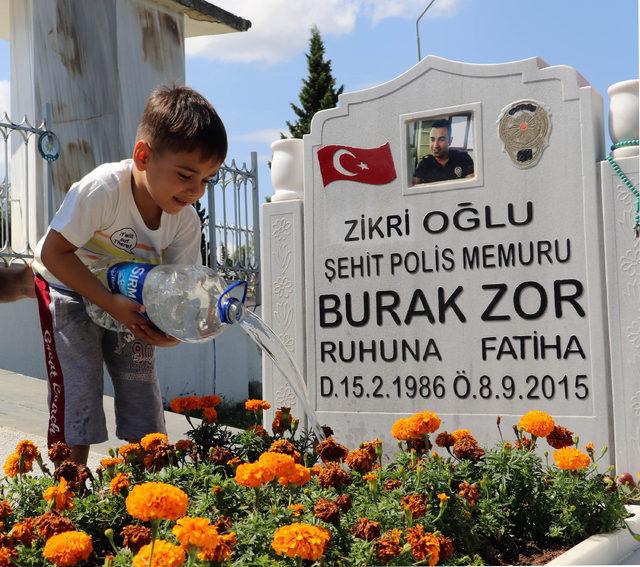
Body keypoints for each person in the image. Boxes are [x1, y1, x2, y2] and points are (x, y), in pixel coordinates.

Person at [32, 85, 226, 464]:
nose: (195, 191)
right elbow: (53, 253)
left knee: (140, 383)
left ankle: (150, 488)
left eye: (206, 179)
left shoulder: (184, 222)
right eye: (186, 175)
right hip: (67, 285)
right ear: (143, 156)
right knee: (80, 385)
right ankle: (68, 493)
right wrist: (107, 302)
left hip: (130, 298)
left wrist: (170, 333)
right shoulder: (103, 189)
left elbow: (178, 290)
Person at [412, 118, 474, 184]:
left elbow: (472, 186)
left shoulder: (463, 158)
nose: (436, 145)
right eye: (432, 139)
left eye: (441, 139)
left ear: (450, 141)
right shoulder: (424, 164)